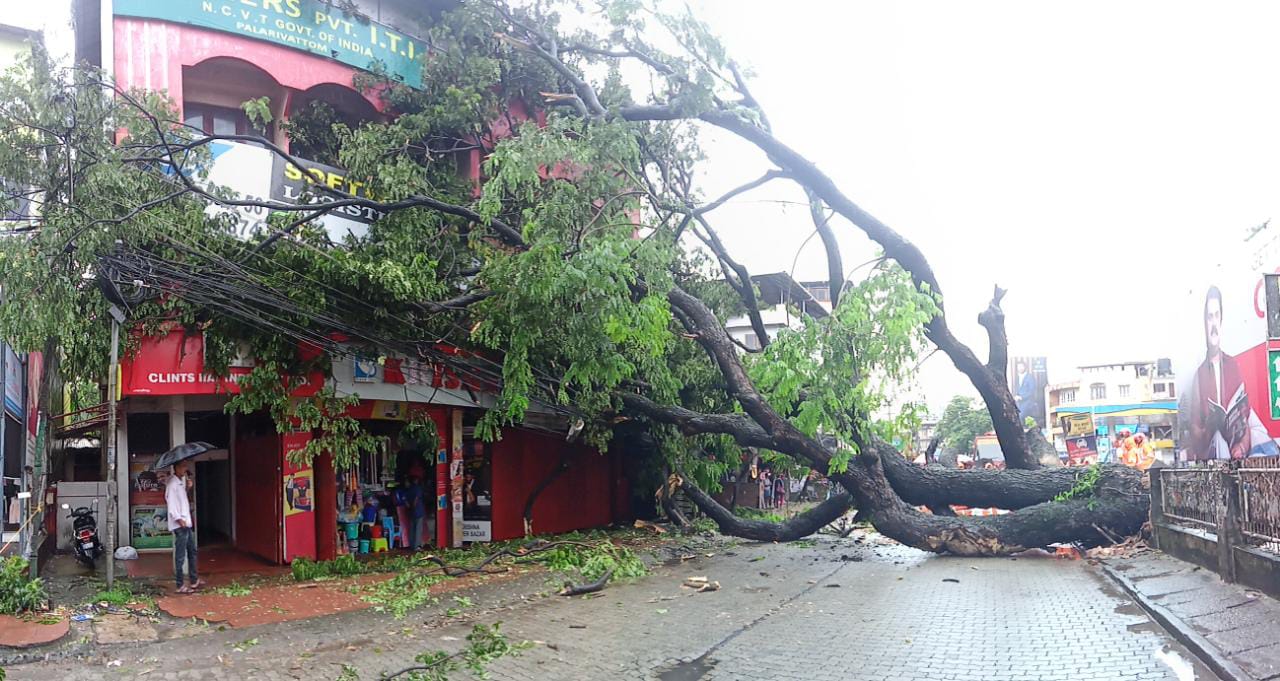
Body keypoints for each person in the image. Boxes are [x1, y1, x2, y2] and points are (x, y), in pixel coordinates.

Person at [1188, 287, 1274, 459]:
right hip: (1216, 457)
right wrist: (1209, 429)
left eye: (1216, 316)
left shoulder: (1233, 366)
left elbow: (1245, 419)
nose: (1213, 324)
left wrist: (1241, 447)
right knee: (1219, 438)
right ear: (1204, 323)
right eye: (1209, 317)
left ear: (1221, 320)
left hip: (1239, 455)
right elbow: (1195, 434)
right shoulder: (1199, 375)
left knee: (1258, 432)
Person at [166, 461, 203, 594]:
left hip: (186, 523)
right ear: (175, 468)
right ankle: (180, 584)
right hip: (180, 524)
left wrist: (188, 488)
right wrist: (179, 519)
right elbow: (172, 504)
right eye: (182, 466)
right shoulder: (172, 484)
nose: (185, 469)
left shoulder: (180, 483)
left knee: (192, 551)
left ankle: (194, 579)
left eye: (185, 466)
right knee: (181, 556)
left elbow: (182, 500)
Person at [407, 474, 427, 550]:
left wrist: (410, 508)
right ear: (416, 480)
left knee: (412, 528)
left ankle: (412, 545)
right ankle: (417, 546)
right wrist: (414, 507)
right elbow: (416, 499)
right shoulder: (417, 488)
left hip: (411, 512)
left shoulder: (409, 489)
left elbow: (406, 501)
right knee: (418, 529)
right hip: (418, 511)